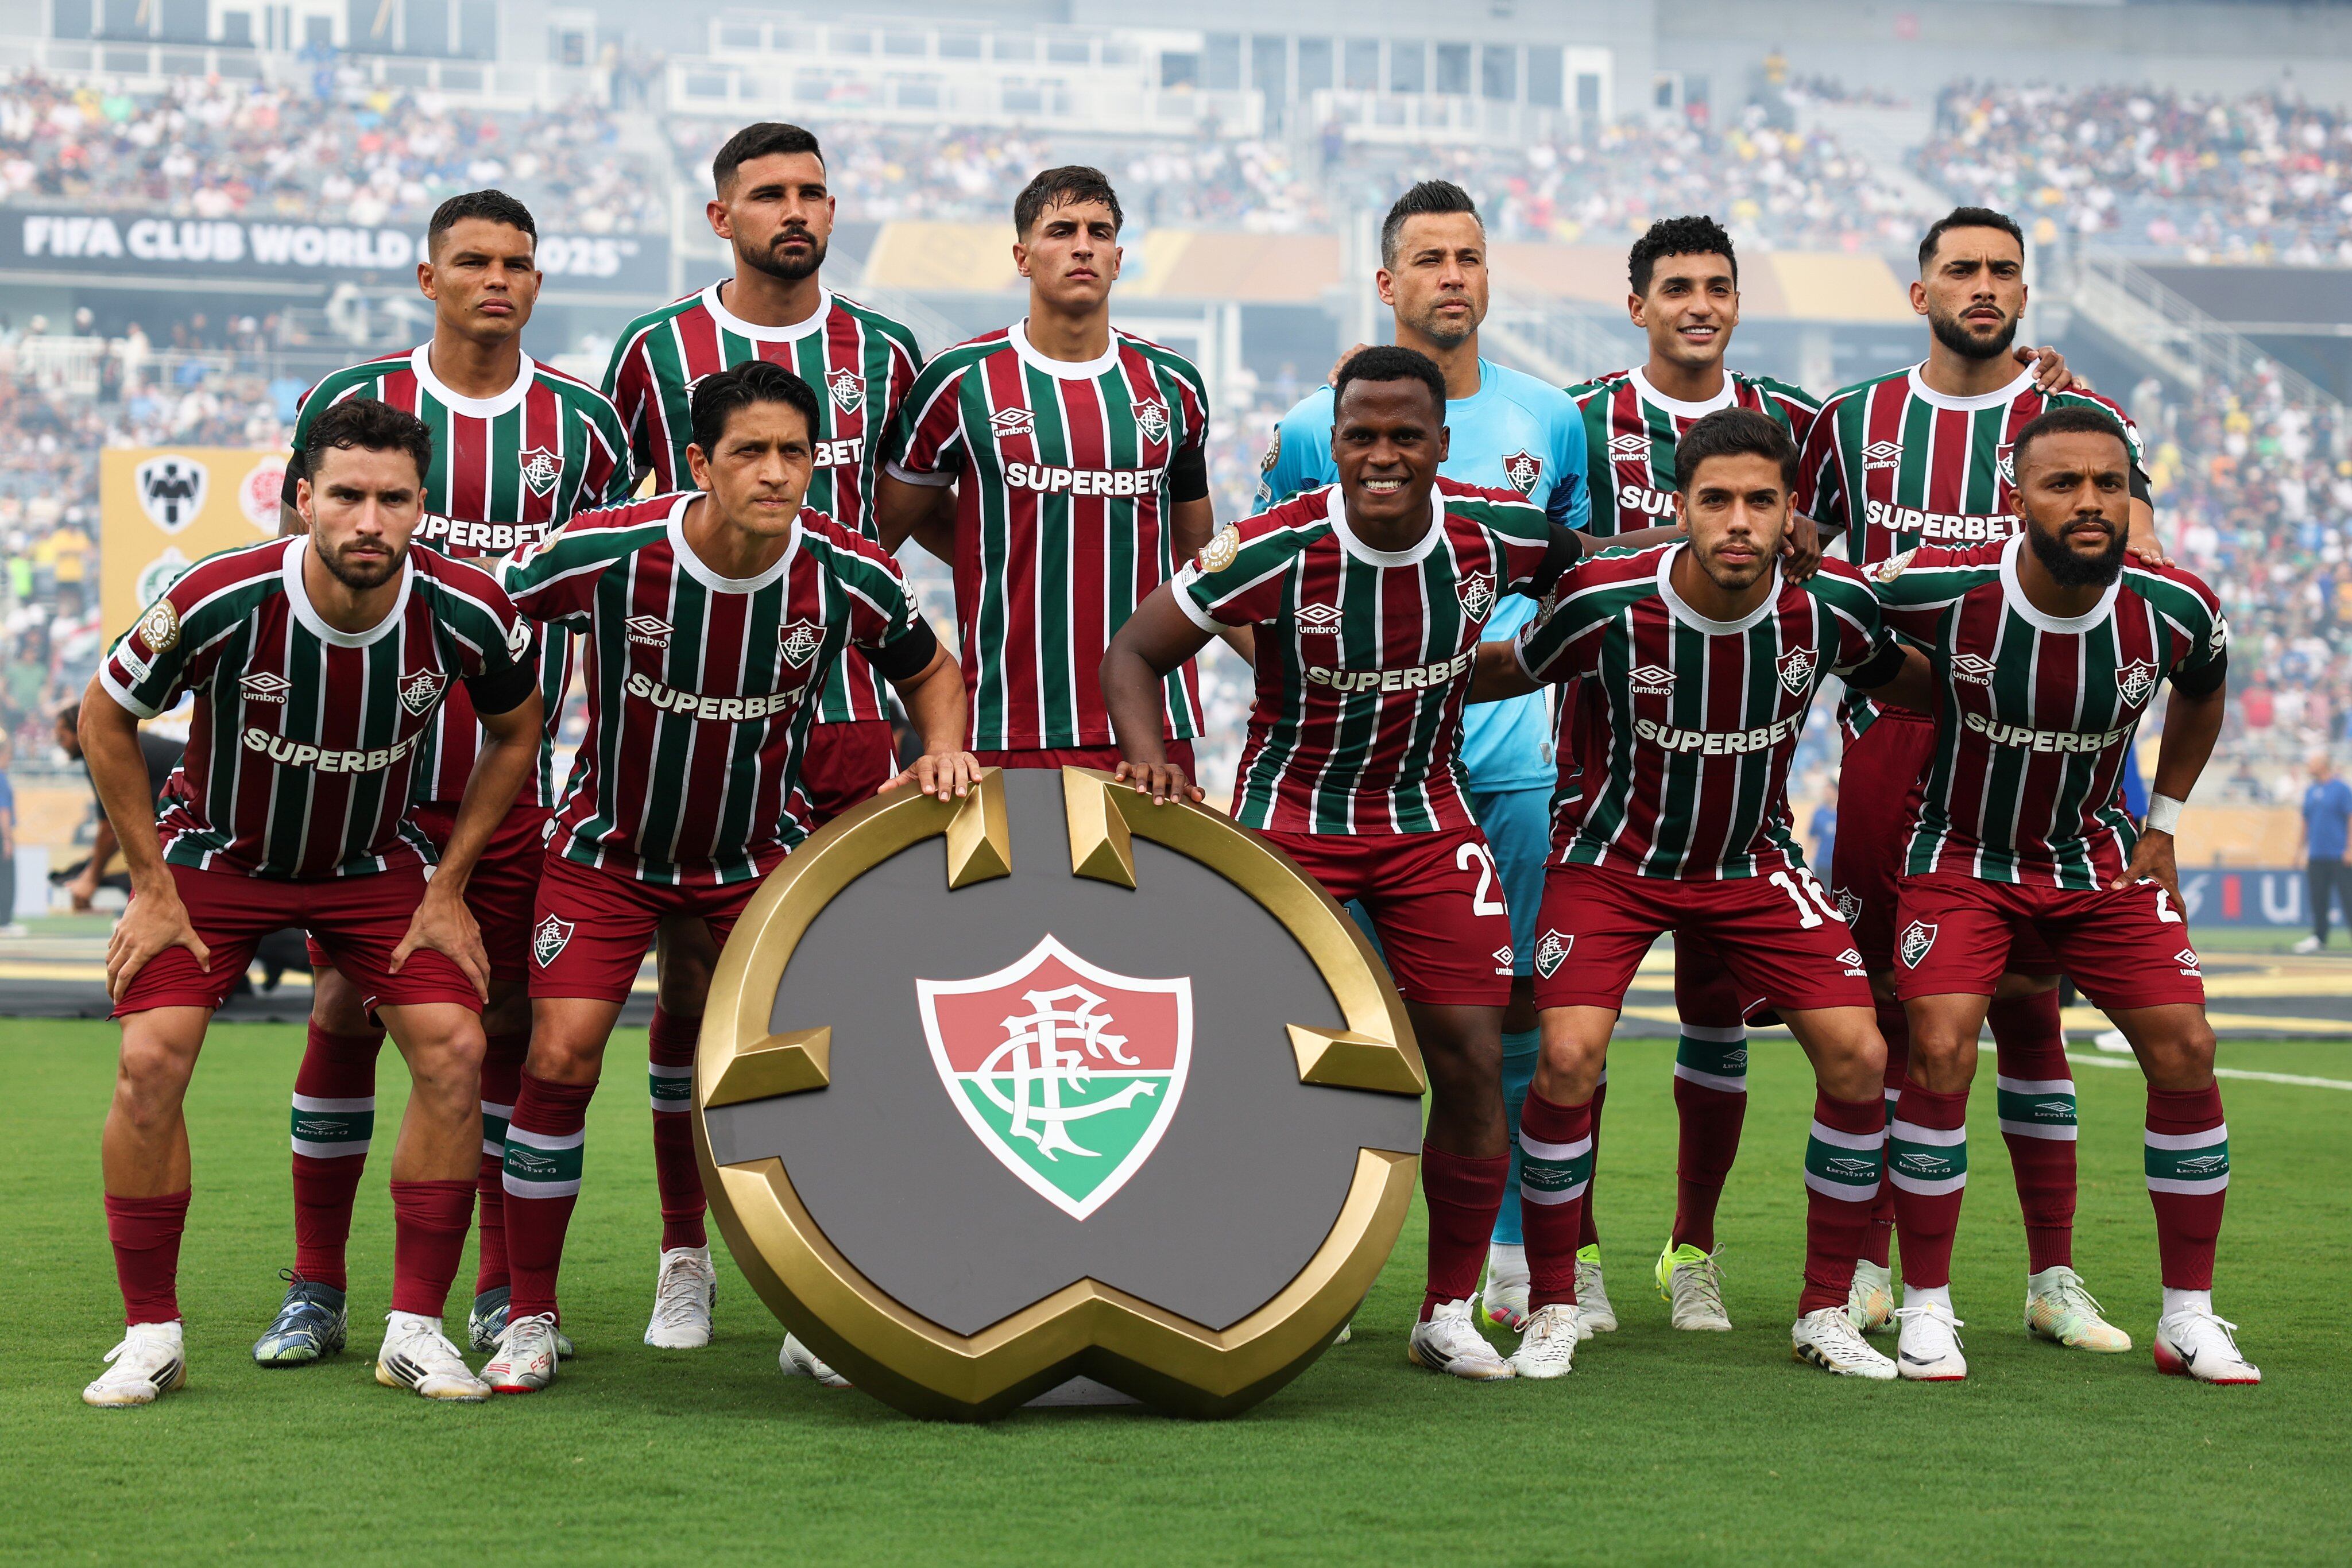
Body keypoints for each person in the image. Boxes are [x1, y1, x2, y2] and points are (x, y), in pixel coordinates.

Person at [1102, 346, 1619, 1381]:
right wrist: (1150, 759)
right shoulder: (1272, 547)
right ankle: (1269, 1276)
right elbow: (1134, 650)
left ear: (1441, 444)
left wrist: (1714, 536)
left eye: (1405, 436)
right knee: (1255, 1056)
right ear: (1333, 444)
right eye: (1361, 437)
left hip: (1427, 820)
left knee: (1470, 1053)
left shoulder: (1497, 532)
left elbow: (1606, 555)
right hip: (1291, 817)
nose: (1383, 455)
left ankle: (1447, 1310)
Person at [482, 359, 978, 1395]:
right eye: (750, 451)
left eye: (795, 452)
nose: (775, 471)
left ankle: (806, 1306)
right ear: (700, 463)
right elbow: (479, 606)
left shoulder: (845, 570)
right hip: (609, 851)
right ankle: (528, 1316)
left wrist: (941, 749)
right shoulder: (612, 548)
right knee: (560, 1056)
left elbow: (931, 667)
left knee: (806, 1066)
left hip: (756, 857)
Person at [77, 396, 545, 1407]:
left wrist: (449, 885)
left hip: (373, 864)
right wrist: (149, 883)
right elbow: (105, 712)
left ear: (422, 507)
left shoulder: (468, 609)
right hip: (217, 858)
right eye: (346, 496)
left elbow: (518, 730)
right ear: (304, 499)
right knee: (150, 1058)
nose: (369, 521)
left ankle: (414, 1329)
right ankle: (151, 1334)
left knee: (457, 1049)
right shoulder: (220, 595)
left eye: (393, 500)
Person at [1472, 409, 1928, 1380]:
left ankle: (1823, 1311)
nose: (1738, 521)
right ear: (1680, 507)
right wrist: (1391, 678)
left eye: (1761, 501)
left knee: (1860, 1053)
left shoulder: (1831, 607)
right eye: (1715, 500)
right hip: (1611, 864)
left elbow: (1922, 682)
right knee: (1566, 1054)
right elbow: (1510, 669)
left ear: (1793, 512)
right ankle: (1553, 1302)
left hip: (1751, 866)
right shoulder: (1605, 600)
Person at [258, 190, 632, 1369]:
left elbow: (611, 592)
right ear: (430, 279)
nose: (496, 280)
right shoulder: (357, 401)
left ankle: (500, 1290)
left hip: (508, 781)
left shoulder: (584, 426)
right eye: (472, 261)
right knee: (342, 1006)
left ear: (538, 281)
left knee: (503, 1017)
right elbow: (297, 571)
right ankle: (316, 1287)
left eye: (516, 262)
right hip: (367, 781)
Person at [1798, 206, 2158, 1346]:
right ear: (1921, 293)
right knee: (1884, 1009)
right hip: (1895, 737)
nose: (1983, 286)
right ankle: (1867, 1268)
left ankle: (2051, 1278)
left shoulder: (2074, 417)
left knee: (2030, 1006)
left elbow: (2143, 564)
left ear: (2025, 292)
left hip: (2038, 753)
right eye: (1961, 269)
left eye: (2003, 269)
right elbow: (1804, 566)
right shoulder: (1852, 420)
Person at [1254, 180, 1599, 1335]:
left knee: (1504, 1020)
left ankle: (1506, 1255)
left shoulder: (1551, 419)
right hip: (1351, 778)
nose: (1453, 275)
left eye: (1469, 256)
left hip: (1508, 769)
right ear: (1386, 282)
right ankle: (1316, 1254)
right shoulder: (1315, 423)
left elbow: (1581, 568)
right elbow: (1265, 584)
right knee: (1326, 1021)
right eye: (1429, 259)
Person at [601, 126, 926, 1345]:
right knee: (692, 986)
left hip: (842, 715)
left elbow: (903, 514)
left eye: (811, 193)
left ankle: (820, 1265)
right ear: (720, 216)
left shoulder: (886, 353)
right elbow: (628, 524)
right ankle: (685, 1252)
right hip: (703, 718)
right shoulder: (654, 350)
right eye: (769, 194)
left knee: (841, 991)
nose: (794, 211)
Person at [1868, 406, 2255, 1384]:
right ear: (2016, 499)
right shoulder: (1938, 588)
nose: (2089, 502)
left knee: (2187, 1047)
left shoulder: (2174, 607)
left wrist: (2165, 818)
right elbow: (1829, 616)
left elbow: (2206, 682)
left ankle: (2188, 1318)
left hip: (2096, 861)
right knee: (1941, 1046)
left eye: (2108, 484)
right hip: (1961, 857)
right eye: (2063, 483)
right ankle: (1926, 1306)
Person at [874, 165, 1228, 772]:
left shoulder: (1175, 383)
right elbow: (879, 538)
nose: (1083, 246)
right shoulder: (959, 380)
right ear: (1022, 256)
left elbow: (1201, 557)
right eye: (1062, 231)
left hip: (1152, 732)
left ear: (1118, 259)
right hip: (1010, 722)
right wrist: (993, 557)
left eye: (1099, 232)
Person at [51, 700, 183, 912]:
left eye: (62, 737)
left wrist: (91, 878)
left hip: (195, 795)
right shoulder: (110, 744)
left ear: (79, 729)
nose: (60, 744)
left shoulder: (101, 750)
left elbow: (111, 829)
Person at [2293, 752, 2352, 953]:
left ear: (2324, 764)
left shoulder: (2341, 789)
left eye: (2312, 763)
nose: (2309, 766)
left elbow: (2350, 818)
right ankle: (2319, 938)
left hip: (2339, 855)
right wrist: (2299, 851)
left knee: (2348, 898)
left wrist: (2350, 848)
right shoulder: (2311, 791)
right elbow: (2306, 822)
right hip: (2316, 855)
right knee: (2318, 899)